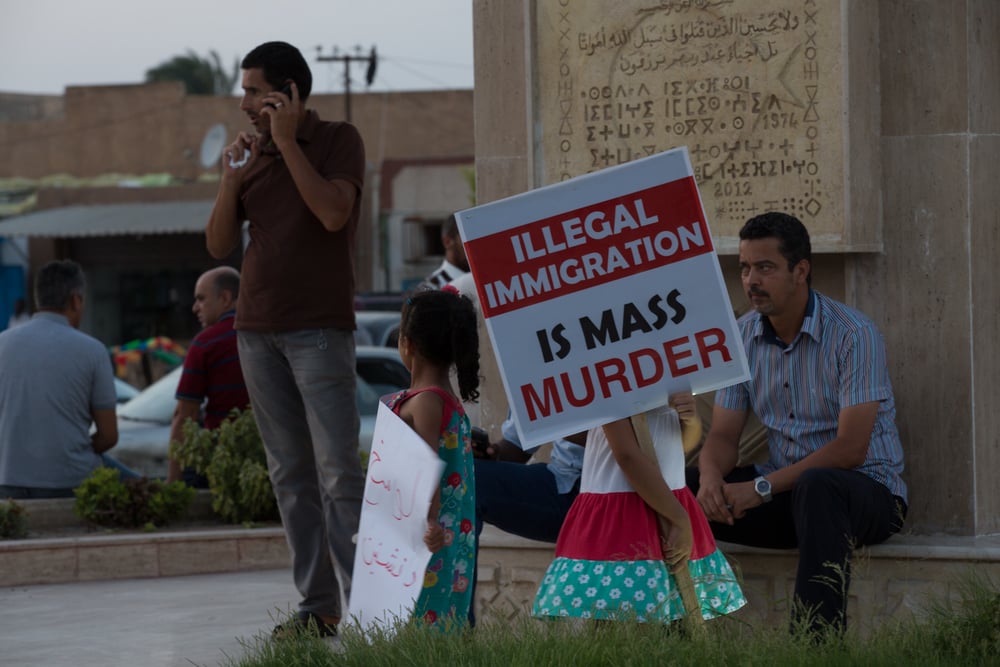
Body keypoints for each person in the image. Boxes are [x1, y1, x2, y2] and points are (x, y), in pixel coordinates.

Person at [204, 41, 366, 638]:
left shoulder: (336, 139)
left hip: (319, 330)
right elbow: (219, 244)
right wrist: (230, 178)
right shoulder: (251, 155)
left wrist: (291, 141)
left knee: (338, 473)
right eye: (243, 91)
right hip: (256, 332)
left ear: (289, 93)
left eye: (254, 91)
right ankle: (318, 608)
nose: (244, 103)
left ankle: (367, 607)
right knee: (289, 476)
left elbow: (331, 214)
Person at [687, 211, 907, 636]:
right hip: (787, 498)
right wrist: (711, 479)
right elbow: (723, 434)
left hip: (866, 496)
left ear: (800, 271)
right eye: (745, 268)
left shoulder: (854, 334)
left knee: (819, 485)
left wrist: (759, 488)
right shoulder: (744, 334)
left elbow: (850, 449)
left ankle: (814, 646)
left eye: (765, 268)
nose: (751, 280)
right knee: (679, 485)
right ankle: (681, 631)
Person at [533, 395, 747, 623]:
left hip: (668, 499)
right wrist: (679, 519)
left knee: (675, 615)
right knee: (619, 620)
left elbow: (678, 444)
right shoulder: (609, 376)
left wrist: (691, 420)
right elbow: (627, 455)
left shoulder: (669, 372)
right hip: (622, 510)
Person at [383, 288, 480, 632]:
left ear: (407, 343)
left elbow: (425, 466)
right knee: (442, 617)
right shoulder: (442, 398)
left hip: (433, 534)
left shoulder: (425, 401)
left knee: (424, 618)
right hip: (450, 532)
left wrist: (429, 520)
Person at [0, 260, 125, 498]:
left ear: (39, 300)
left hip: (6, 481)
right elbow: (109, 435)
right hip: (71, 483)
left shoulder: (1, 344)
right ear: (76, 300)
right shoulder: (93, 350)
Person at [166, 267, 250, 487]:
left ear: (225, 298)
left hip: (219, 465)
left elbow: (185, 415)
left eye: (201, 299)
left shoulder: (206, 343)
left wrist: (172, 485)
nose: (195, 308)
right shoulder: (266, 336)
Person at [421, 214, 469, 289]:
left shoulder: (484, 280)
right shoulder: (430, 288)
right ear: (447, 242)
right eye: (466, 239)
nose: (473, 247)